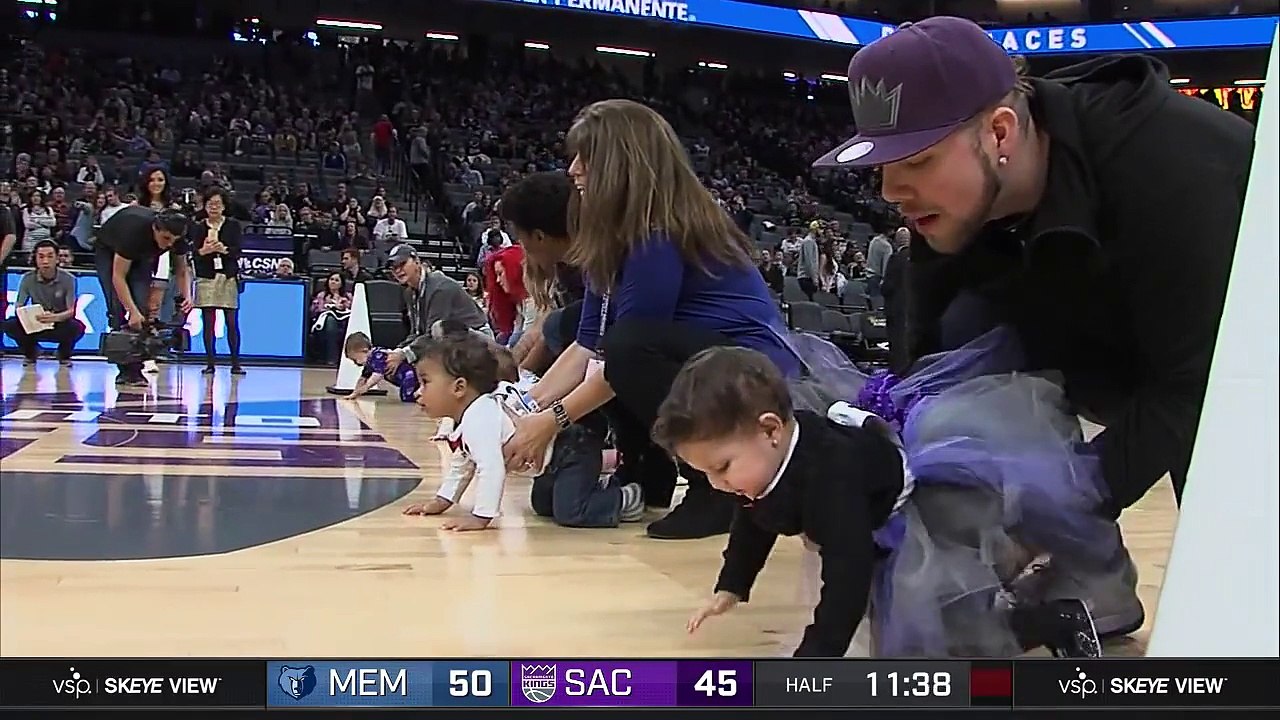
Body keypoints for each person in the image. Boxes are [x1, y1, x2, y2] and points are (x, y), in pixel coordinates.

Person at [810, 15, 1254, 636]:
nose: (890, 190)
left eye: (918, 159)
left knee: (1239, 565)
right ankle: (1088, 584)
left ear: (1000, 130)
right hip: (1109, 331)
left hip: (1244, 358)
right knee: (947, 386)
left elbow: (1192, 385)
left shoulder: (1168, 167)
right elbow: (928, 357)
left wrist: (1053, 509)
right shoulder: (951, 207)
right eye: (882, 164)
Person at [659, 340, 1107, 658]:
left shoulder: (830, 478)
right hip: (862, 522)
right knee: (905, 633)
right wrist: (733, 584)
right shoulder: (762, 469)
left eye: (721, 468)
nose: (717, 486)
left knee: (943, 630)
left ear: (772, 429)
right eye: (705, 474)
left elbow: (846, 580)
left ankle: (1058, 622)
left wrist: (812, 666)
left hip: (918, 511)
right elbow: (756, 518)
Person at [502, 99, 800, 540]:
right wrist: (520, 406)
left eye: (587, 158)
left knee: (628, 347)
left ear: (620, 167)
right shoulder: (618, 236)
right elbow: (585, 345)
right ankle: (647, 467)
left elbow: (617, 361)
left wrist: (551, 421)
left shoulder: (657, 233)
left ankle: (717, 486)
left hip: (750, 377)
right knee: (576, 330)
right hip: (706, 359)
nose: (574, 170)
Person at [399, 333, 511, 532]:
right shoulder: (471, 416)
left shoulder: (481, 417)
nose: (418, 392)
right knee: (545, 504)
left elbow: (492, 468)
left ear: (459, 387)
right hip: (549, 464)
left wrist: (481, 516)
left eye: (425, 382)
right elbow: (462, 464)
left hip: (567, 451)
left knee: (570, 512)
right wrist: (442, 501)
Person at [94, 206, 192, 387]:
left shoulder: (175, 237)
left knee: (142, 307)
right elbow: (118, 276)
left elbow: (181, 269)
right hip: (109, 251)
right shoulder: (134, 232)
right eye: (166, 239)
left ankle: (136, 368)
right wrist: (131, 310)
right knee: (118, 307)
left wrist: (187, 295)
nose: (170, 244)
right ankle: (124, 370)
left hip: (143, 256)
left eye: (174, 240)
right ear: (155, 228)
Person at [382, 244, 493, 375]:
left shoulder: (439, 288)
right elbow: (417, 332)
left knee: (424, 369)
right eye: (394, 267)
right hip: (451, 341)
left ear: (417, 261)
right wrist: (394, 352)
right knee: (397, 370)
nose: (398, 270)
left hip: (477, 341)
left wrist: (403, 354)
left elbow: (432, 335)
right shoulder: (409, 292)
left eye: (402, 263)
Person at [3, 239, 85, 366]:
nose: (45, 261)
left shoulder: (69, 279)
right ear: (35, 259)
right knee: (9, 325)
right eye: (41, 257)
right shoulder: (27, 278)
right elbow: (19, 306)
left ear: (57, 258)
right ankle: (31, 353)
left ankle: (64, 355)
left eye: (50, 256)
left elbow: (71, 310)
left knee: (77, 327)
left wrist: (54, 317)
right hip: (36, 322)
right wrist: (31, 317)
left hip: (59, 322)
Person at [189, 187, 244, 375]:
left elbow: (238, 251)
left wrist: (224, 249)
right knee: (208, 321)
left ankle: (235, 362)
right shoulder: (198, 227)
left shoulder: (233, 226)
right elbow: (194, 254)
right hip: (206, 276)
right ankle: (210, 362)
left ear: (224, 206)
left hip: (227, 276)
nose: (214, 207)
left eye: (217, 204)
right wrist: (203, 252)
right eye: (210, 204)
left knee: (231, 321)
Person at [343, 331, 419, 402]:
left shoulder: (377, 356)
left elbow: (378, 375)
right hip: (400, 378)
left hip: (409, 375)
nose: (356, 363)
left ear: (364, 350)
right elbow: (362, 379)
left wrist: (366, 387)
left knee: (407, 397)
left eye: (355, 359)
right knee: (405, 394)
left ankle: (419, 397)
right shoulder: (369, 362)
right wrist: (355, 393)